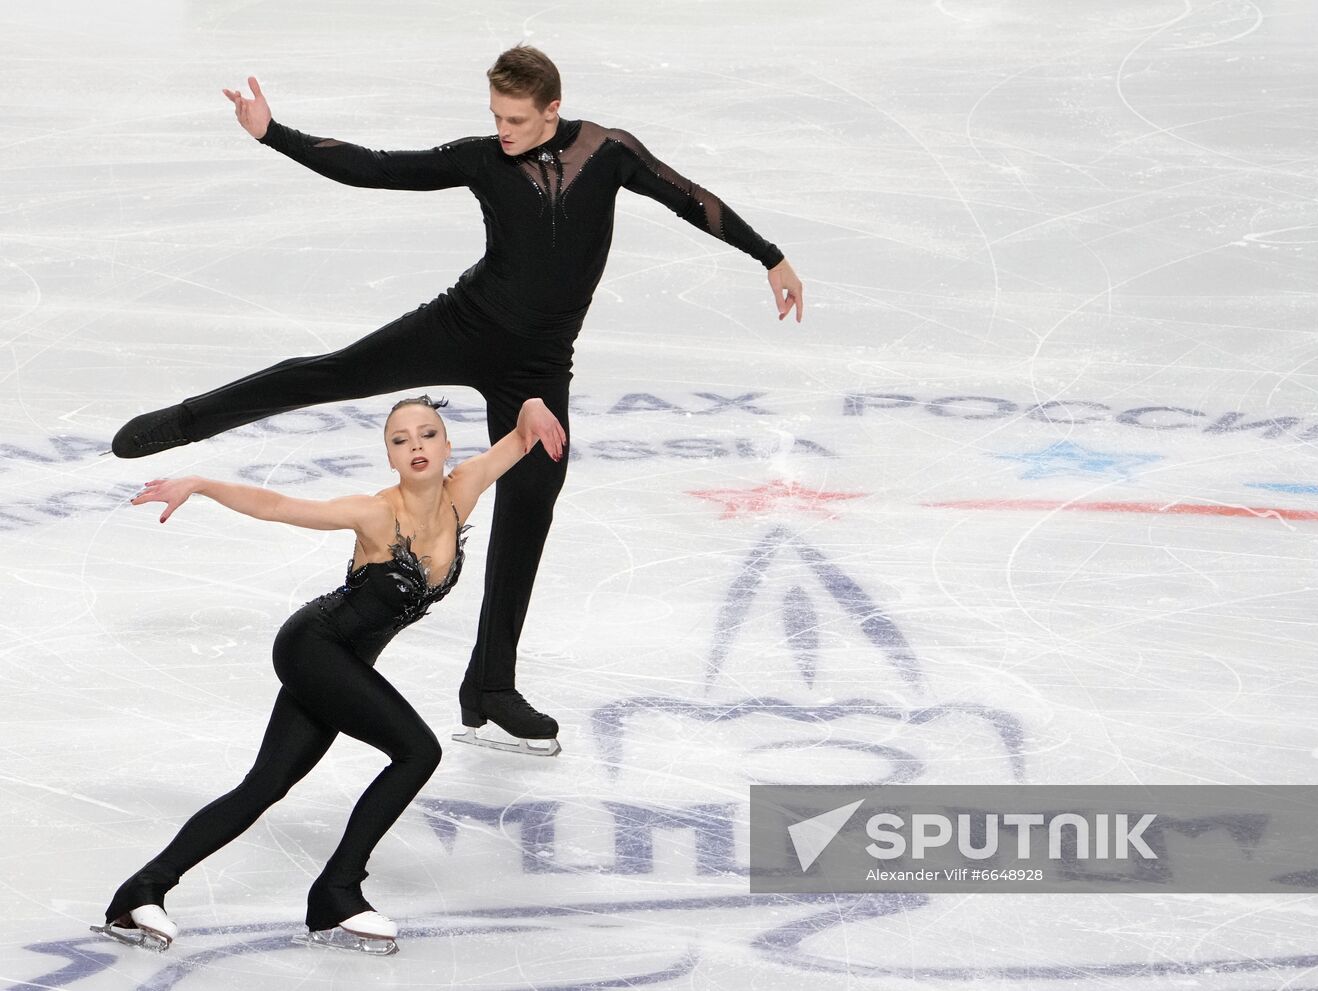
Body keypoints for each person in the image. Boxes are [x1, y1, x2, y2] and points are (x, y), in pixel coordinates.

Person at [109, 45, 803, 754]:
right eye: (496, 116)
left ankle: (490, 688)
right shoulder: (482, 159)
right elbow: (378, 169)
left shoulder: (608, 151)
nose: (503, 130)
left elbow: (693, 199)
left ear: (552, 109)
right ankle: (188, 422)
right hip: (463, 326)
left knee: (532, 502)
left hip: (537, 368)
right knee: (333, 371)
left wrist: (769, 254)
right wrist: (272, 133)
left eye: (516, 118)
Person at [92, 396, 568, 956]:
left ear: (446, 445)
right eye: (400, 439)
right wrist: (200, 483)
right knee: (418, 751)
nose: (415, 445)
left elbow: (518, 439)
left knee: (265, 785)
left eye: (427, 434)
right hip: (313, 647)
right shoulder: (376, 513)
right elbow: (277, 506)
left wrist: (534, 403)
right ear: (390, 457)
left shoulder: (463, 490)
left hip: (342, 663)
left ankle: (141, 890)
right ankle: (337, 892)